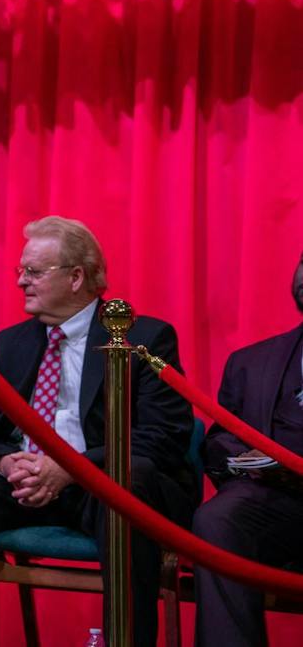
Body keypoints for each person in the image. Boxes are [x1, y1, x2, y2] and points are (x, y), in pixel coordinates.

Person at [0, 216, 197, 647]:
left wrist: (69, 468)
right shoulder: (12, 343)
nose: (21, 282)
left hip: (102, 489)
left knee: (129, 480)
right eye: (20, 271)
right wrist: (6, 462)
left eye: (34, 272)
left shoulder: (142, 336)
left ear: (77, 276)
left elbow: (163, 438)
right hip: (25, 488)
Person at [191, 250, 303, 646]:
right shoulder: (250, 362)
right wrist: (244, 462)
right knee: (217, 521)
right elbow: (220, 438)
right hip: (273, 500)